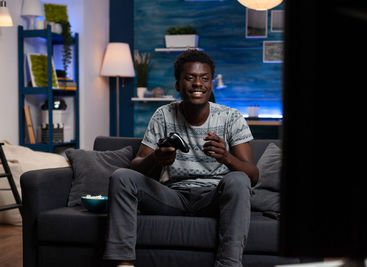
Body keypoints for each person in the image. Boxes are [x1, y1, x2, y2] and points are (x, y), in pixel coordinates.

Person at [103, 49, 259, 267]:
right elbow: (136, 166)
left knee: (239, 179)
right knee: (122, 176)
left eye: (204, 78)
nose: (198, 84)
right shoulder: (163, 115)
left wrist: (226, 157)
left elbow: (253, 175)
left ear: (211, 84)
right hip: (172, 197)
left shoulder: (231, 117)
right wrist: (156, 158)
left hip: (213, 198)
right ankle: (124, 265)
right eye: (190, 78)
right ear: (177, 84)